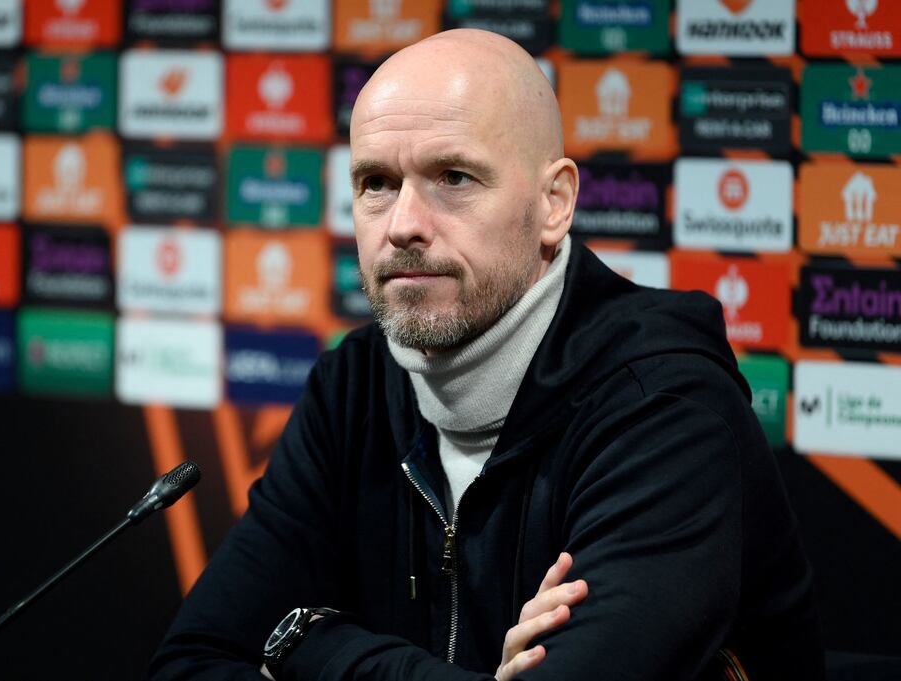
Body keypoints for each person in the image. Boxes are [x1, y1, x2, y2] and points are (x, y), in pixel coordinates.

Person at [150, 29, 824, 681]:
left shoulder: (661, 400)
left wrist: (313, 645)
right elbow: (191, 661)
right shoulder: (352, 385)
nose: (404, 223)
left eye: (453, 176)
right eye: (376, 182)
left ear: (554, 202)